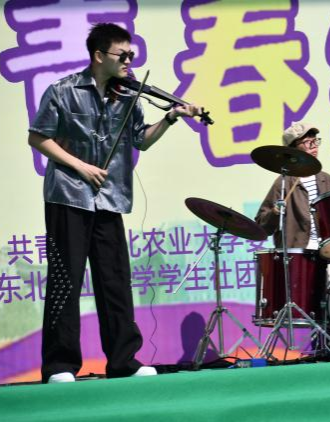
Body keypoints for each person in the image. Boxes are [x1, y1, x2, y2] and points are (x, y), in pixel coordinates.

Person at [28, 23, 203, 383]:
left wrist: (171, 117)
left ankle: (124, 361)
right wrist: (81, 167)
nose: (128, 61)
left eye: (132, 55)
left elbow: (142, 140)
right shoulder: (63, 91)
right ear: (98, 56)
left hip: (109, 199)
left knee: (115, 280)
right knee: (66, 280)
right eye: (122, 55)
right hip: (68, 196)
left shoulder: (127, 96)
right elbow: (38, 137)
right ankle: (60, 365)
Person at [255, 122, 330, 250]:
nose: (314, 146)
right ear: (293, 149)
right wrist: (275, 212)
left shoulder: (326, 179)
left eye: (315, 141)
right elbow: (262, 226)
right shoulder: (283, 183)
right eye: (307, 142)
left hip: (329, 248)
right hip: (299, 252)